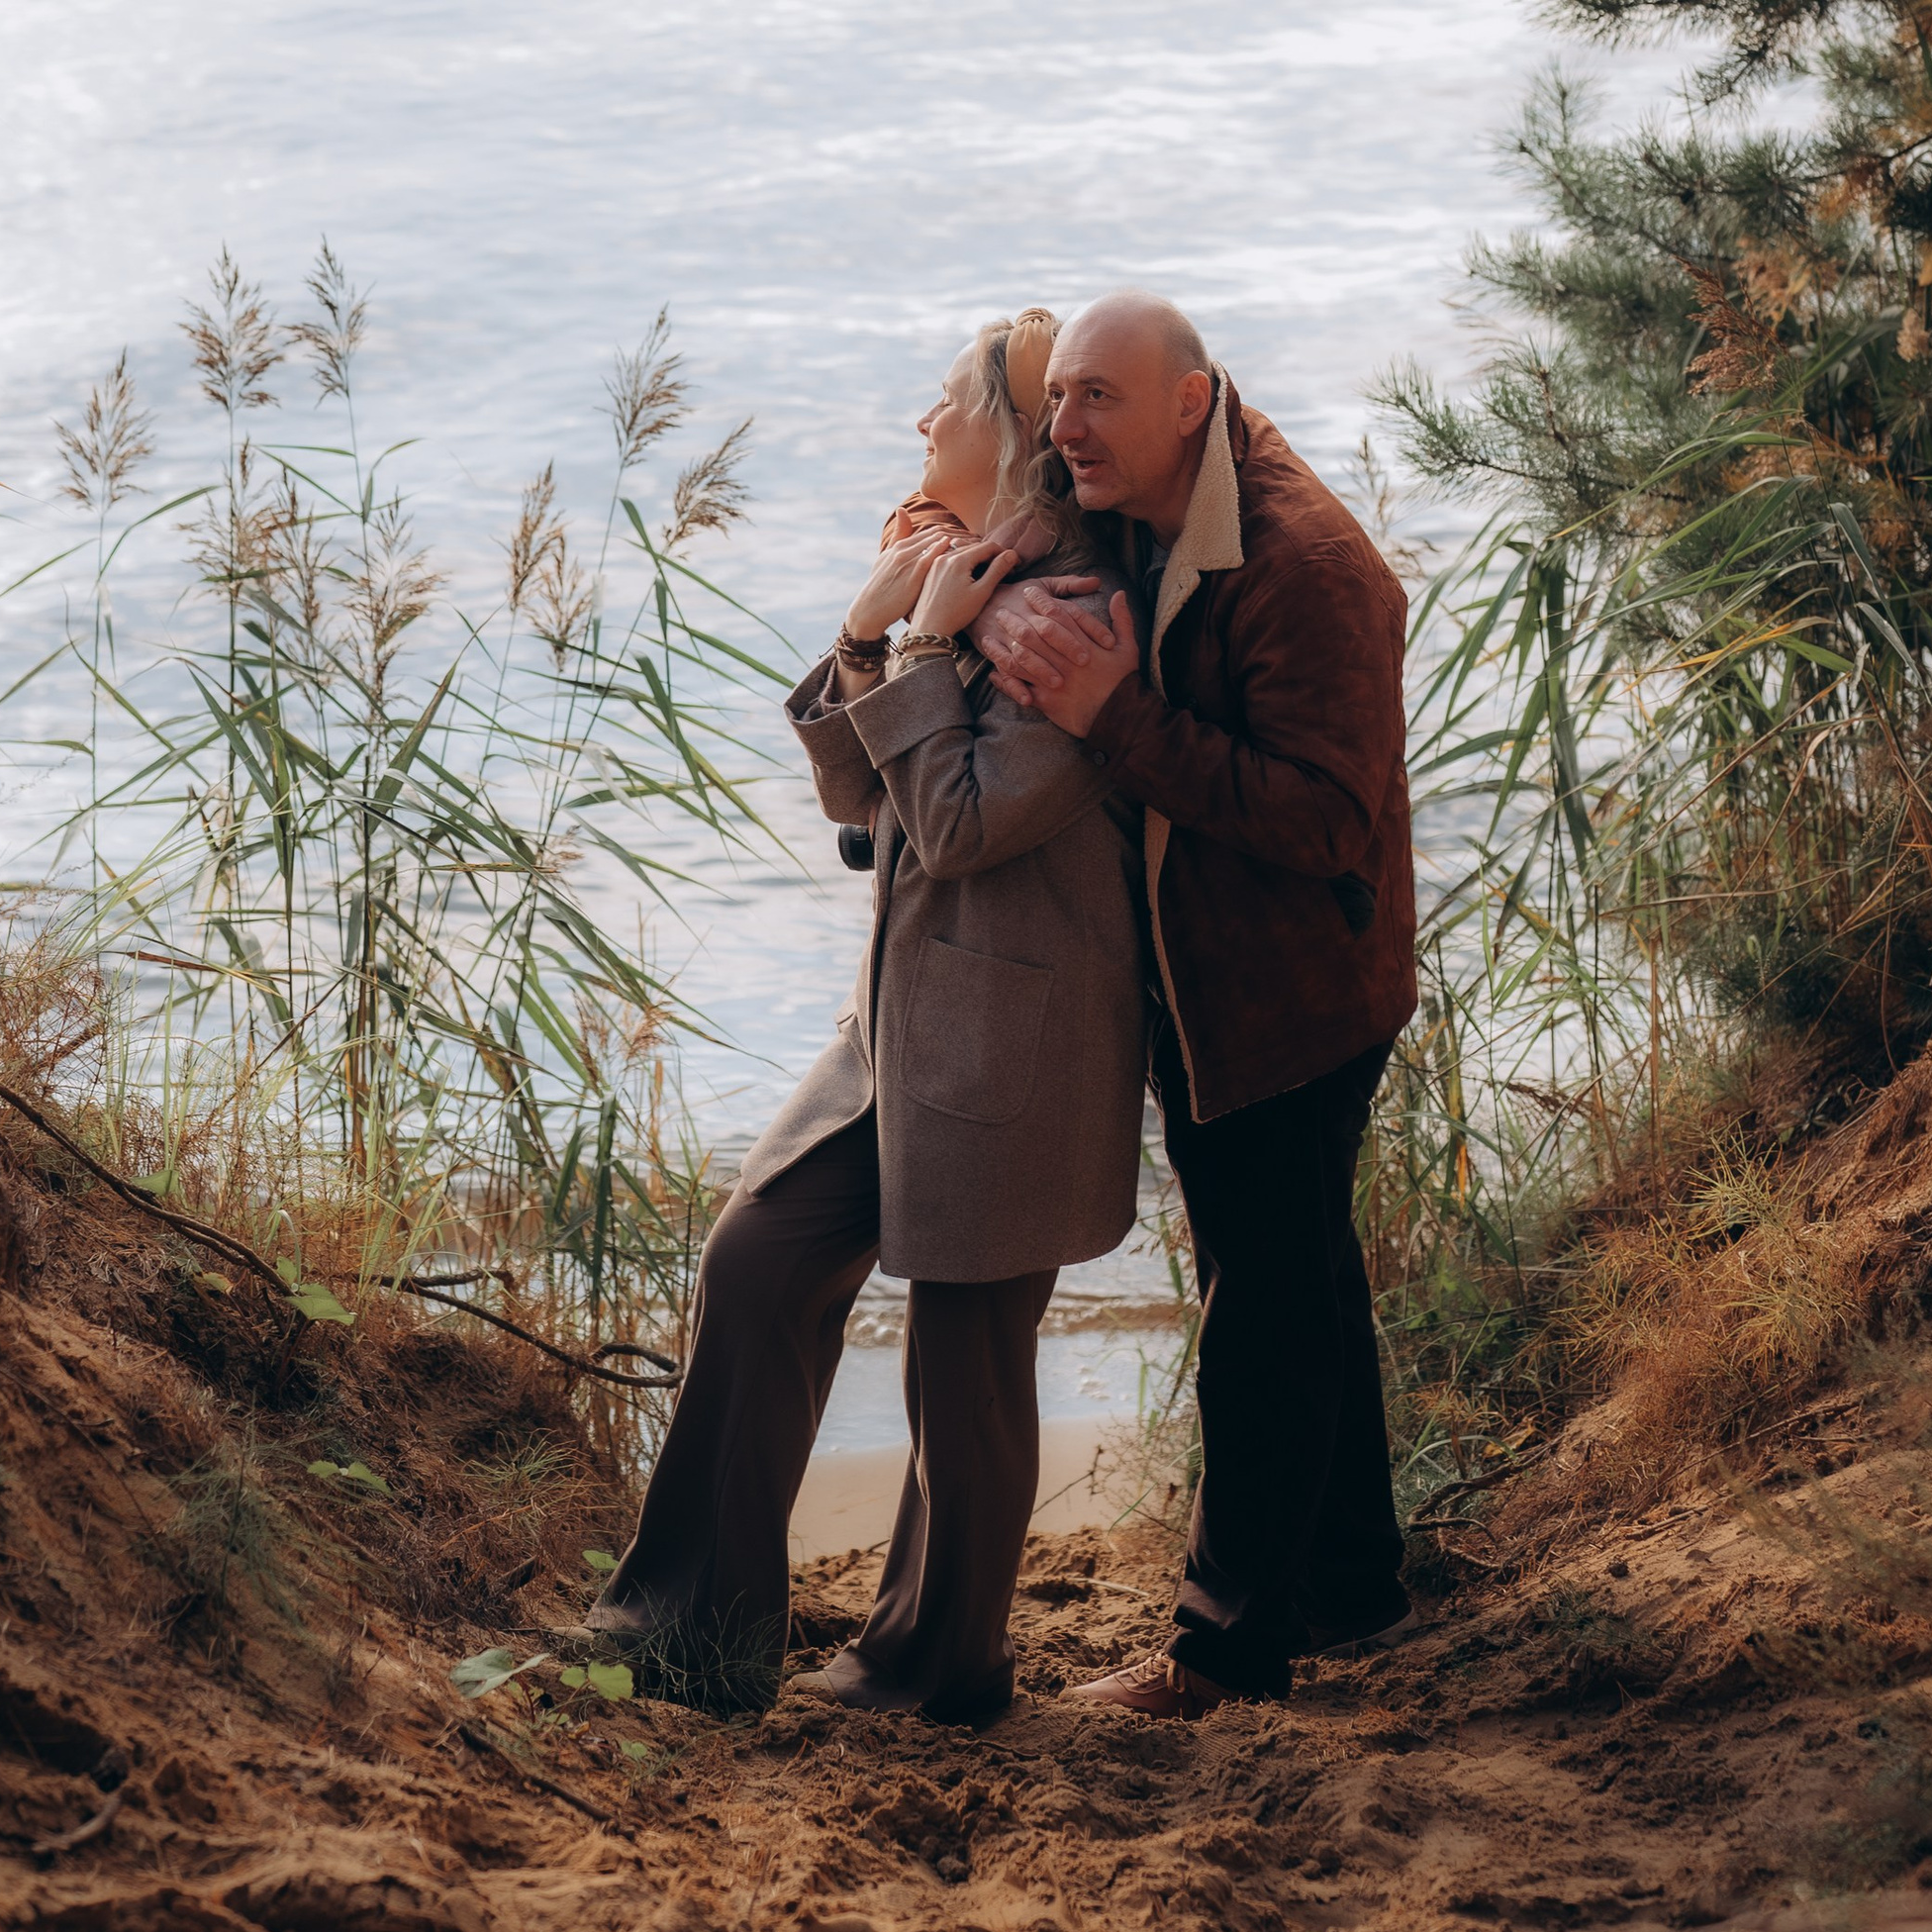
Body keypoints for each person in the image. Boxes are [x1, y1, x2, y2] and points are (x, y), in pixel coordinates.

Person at [585, 309, 1149, 1724]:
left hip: (1018, 1033)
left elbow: (954, 823)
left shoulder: (1079, 617)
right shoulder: (973, 579)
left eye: (946, 402)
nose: (920, 427)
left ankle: (935, 1665)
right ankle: (686, 1628)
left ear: (1010, 443)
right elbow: (862, 794)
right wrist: (871, 627)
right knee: (762, 1256)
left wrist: (923, 653)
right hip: (900, 1016)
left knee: (967, 1363)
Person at [973, 289, 1418, 1720]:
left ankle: (1223, 1654)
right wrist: (987, 602)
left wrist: (1118, 718)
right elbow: (947, 512)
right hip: (1209, 972)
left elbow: (1331, 821)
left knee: (1259, 1305)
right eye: (1057, 399)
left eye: (1097, 398)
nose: (1064, 428)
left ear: (1190, 399)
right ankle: (1354, 1583)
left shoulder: (1306, 567)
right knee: (1301, 1273)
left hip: (1296, 990)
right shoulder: (1134, 492)